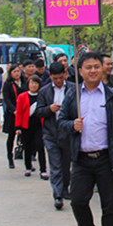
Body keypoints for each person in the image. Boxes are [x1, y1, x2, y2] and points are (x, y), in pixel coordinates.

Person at [58, 52, 113, 226]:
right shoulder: (73, 96)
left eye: (96, 67)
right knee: (78, 201)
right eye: (88, 67)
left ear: (103, 69)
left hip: (106, 160)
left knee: (110, 206)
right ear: (80, 71)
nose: (93, 71)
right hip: (81, 160)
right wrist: (72, 125)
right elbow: (61, 121)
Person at [38, 61, 75, 210]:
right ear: (50, 76)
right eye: (55, 78)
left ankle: (65, 188)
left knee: (66, 165)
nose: (58, 81)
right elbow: (38, 111)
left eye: (60, 77)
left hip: (68, 133)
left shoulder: (73, 89)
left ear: (65, 74)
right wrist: (49, 109)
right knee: (55, 165)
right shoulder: (44, 91)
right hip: (51, 134)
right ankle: (57, 194)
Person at [15, 75, 48, 178]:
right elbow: (19, 112)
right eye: (32, 83)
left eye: (36, 83)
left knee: (40, 146)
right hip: (26, 125)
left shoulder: (42, 96)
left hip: (39, 125)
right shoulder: (22, 96)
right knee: (27, 147)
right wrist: (18, 127)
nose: (34, 85)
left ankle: (43, 170)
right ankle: (28, 167)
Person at [2, 64, 27, 169]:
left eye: (18, 71)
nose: (17, 74)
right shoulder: (8, 84)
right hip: (12, 114)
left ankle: (27, 159)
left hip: (24, 113)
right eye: (14, 72)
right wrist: (14, 110)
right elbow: (7, 99)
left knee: (26, 137)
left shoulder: (24, 82)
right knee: (11, 137)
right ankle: (10, 157)